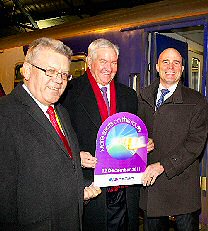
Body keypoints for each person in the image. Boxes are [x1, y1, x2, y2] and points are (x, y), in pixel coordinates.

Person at [0, 37, 101, 230]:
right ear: (27, 71)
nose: (59, 80)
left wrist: (79, 191)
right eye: (50, 71)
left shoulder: (59, 111)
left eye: (64, 74)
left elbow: (54, 167)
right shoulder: (5, 115)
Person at [61, 38, 153, 231]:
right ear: (89, 62)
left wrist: (142, 143)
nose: (108, 68)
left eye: (113, 62)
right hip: (91, 189)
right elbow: (56, 139)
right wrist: (74, 156)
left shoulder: (128, 95)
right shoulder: (68, 93)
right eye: (103, 61)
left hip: (125, 191)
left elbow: (129, 135)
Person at [138, 48, 208, 231]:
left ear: (183, 68)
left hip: (182, 187)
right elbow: (131, 129)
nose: (171, 67)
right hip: (151, 186)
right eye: (165, 62)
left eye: (176, 62)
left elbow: (195, 144)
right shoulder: (142, 97)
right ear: (157, 67)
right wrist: (140, 142)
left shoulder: (196, 101)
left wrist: (163, 165)